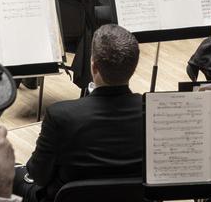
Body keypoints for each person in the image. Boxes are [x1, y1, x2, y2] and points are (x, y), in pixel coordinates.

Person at [14, 24, 144, 202]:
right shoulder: (153, 112)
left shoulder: (60, 116)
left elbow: (38, 175)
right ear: (134, 68)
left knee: (11, 173)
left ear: (94, 67)